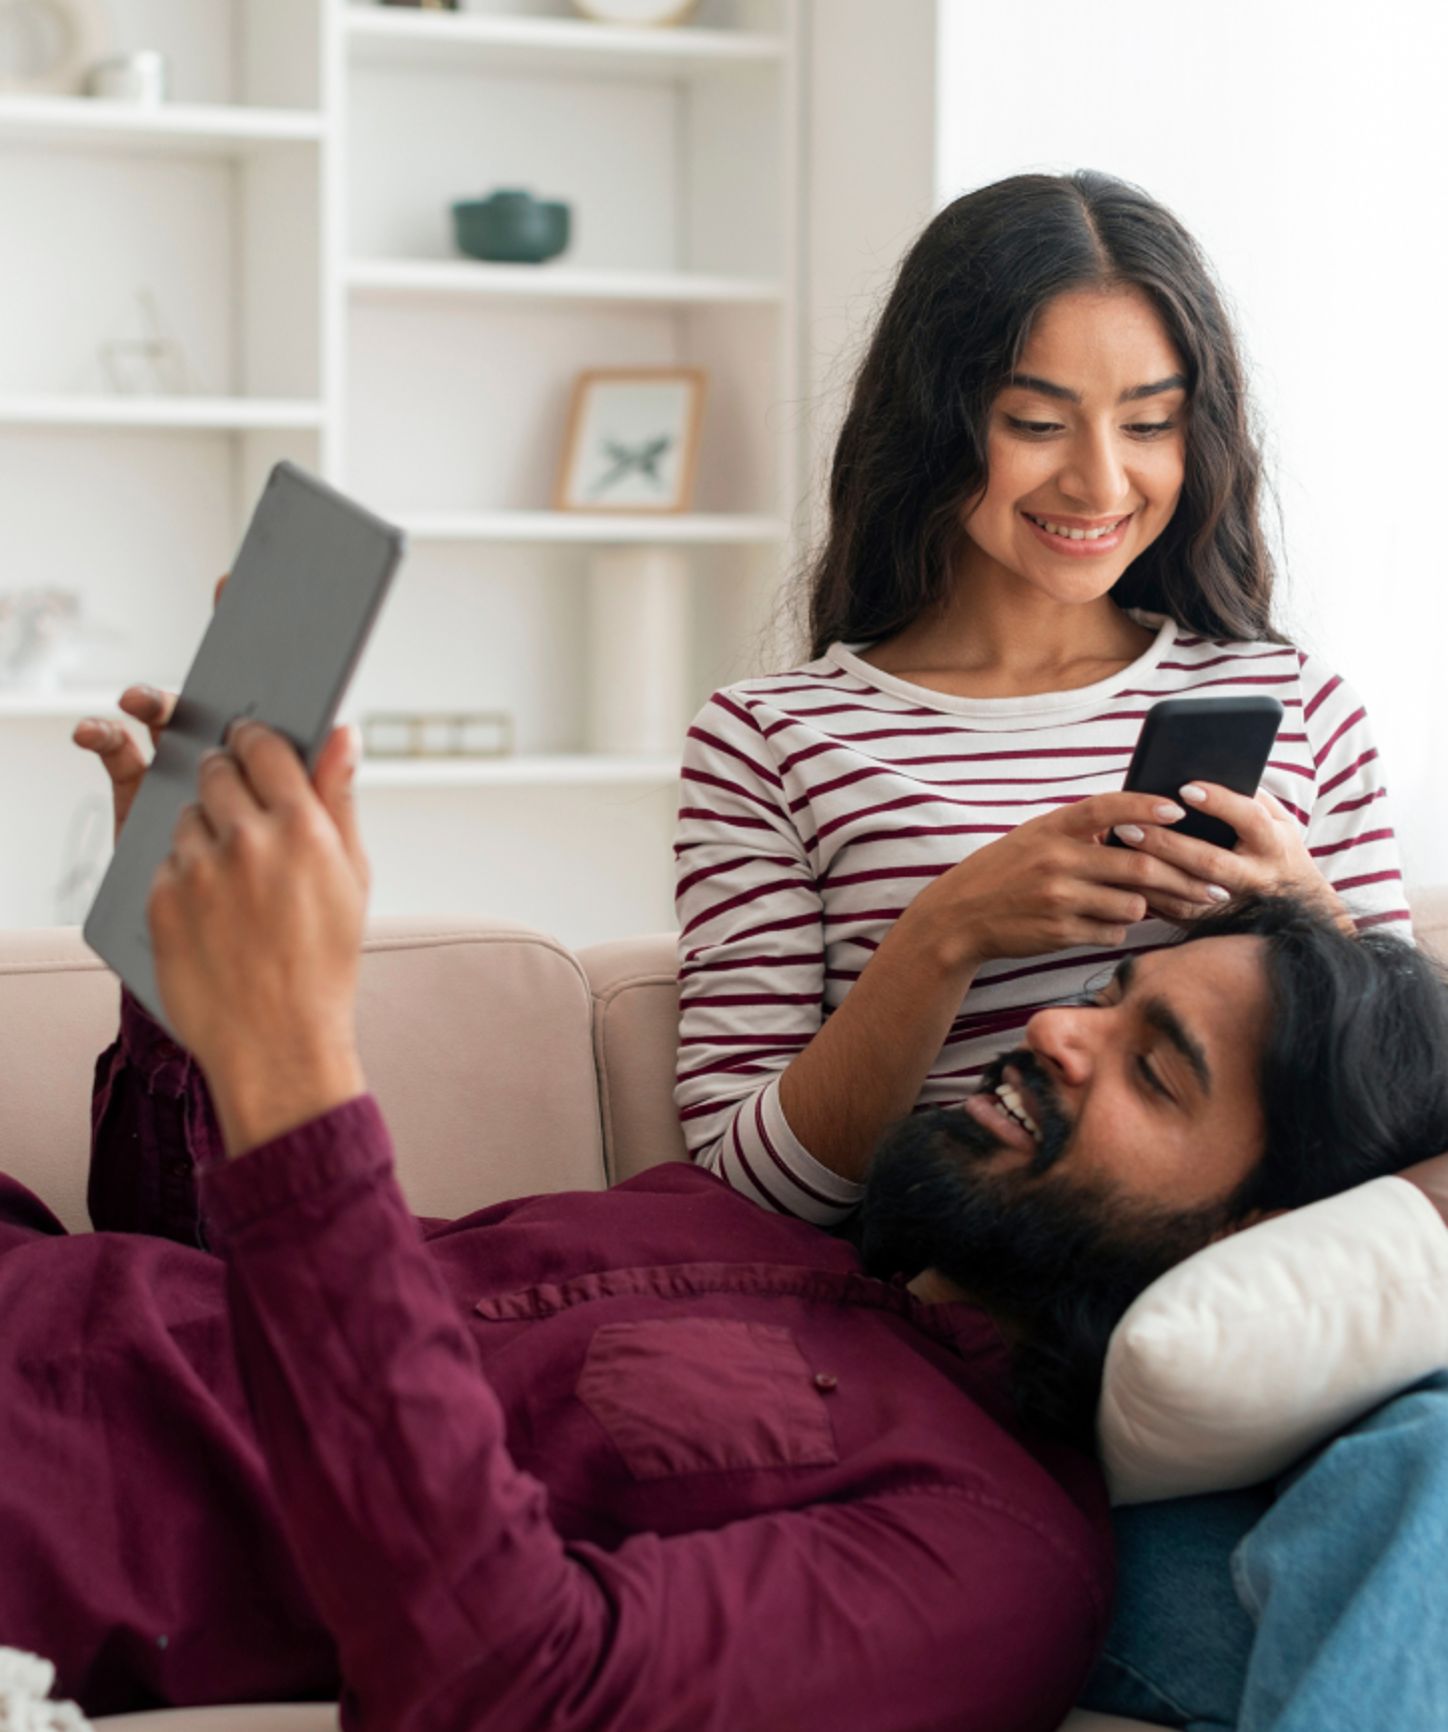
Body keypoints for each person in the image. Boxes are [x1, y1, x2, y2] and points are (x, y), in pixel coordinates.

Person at [9, 712, 1442, 1729]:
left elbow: (508, 1689)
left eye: (1155, 1069)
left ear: (1246, 1234)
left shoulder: (993, 1558)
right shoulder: (743, 1224)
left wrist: (299, 1066)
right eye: (1114, 1000)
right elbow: (223, 1281)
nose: (1065, 1027)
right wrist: (182, 998)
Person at [672, 168, 1412, 1227]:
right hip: (925, 1314)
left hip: (1238, 1299)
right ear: (934, 424)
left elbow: (1407, 1124)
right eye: (1035, 422)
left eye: (1149, 425)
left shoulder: (1296, 703)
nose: (1100, 485)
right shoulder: (769, 740)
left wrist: (1305, 917)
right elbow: (744, 1193)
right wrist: (945, 935)